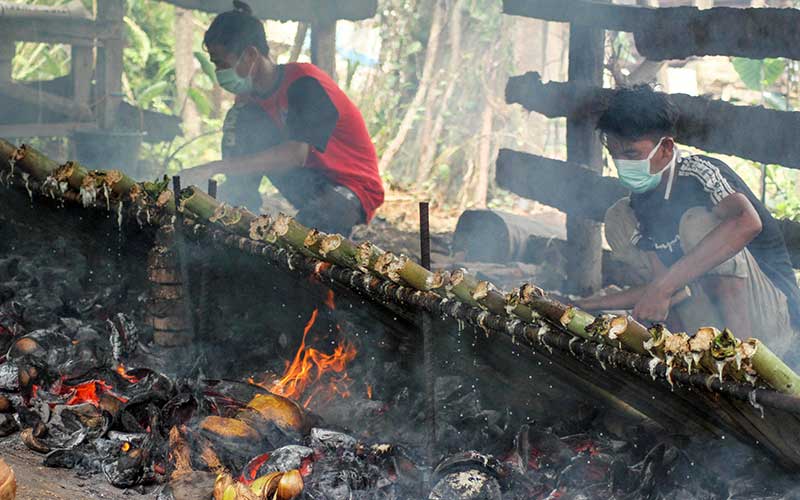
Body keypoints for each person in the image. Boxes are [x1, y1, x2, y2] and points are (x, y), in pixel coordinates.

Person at [575, 85, 800, 358]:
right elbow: (668, 289)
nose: (622, 163)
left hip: (771, 322)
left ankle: (740, 360)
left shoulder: (700, 173)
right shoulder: (641, 201)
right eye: (615, 154)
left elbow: (748, 222)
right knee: (617, 217)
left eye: (632, 154)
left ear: (666, 147)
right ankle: (681, 352)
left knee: (696, 223)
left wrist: (663, 286)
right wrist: (584, 305)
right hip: (708, 321)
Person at [179, 0, 384, 236]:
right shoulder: (250, 102)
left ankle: (318, 230)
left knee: (303, 237)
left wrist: (213, 167)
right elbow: (249, 153)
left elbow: (295, 155)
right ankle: (239, 215)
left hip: (351, 188)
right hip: (309, 180)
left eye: (222, 64)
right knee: (241, 118)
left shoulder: (304, 83)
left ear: (250, 55)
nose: (218, 73)